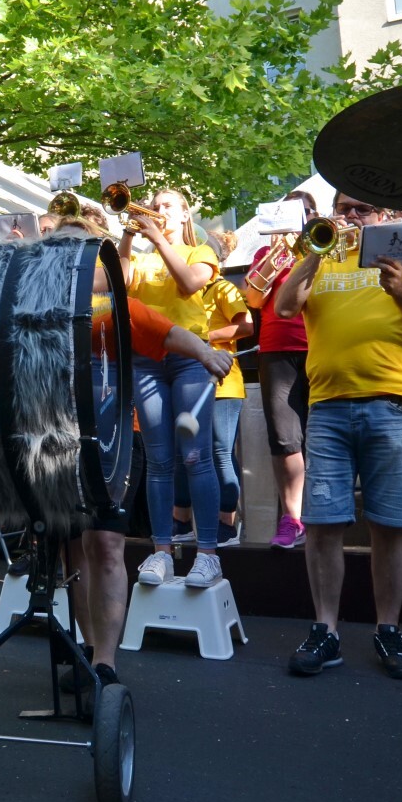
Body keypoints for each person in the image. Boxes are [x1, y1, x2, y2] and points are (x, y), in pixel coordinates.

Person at [54, 217, 233, 689]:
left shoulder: (113, 305)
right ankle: (86, 650)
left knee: (105, 545)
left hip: (110, 444)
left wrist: (206, 354)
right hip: (57, 443)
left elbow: (168, 332)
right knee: (74, 551)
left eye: (79, 254)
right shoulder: (41, 306)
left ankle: (105, 663)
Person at [276, 193, 402, 680]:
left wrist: (400, 288)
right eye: (344, 207)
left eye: (362, 209)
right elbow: (285, 308)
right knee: (323, 523)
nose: (352, 215)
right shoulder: (321, 256)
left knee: (391, 525)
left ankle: (387, 628)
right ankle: (325, 630)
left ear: (382, 216)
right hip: (328, 406)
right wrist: (314, 250)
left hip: (391, 403)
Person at [119, 187, 223, 588]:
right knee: (159, 460)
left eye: (165, 206)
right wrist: (127, 236)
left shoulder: (201, 252)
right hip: (146, 360)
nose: (156, 211)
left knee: (196, 456)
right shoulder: (141, 257)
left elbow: (189, 283)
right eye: (153, 206)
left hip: (190, 357)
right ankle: (161, 551)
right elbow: (119, 284)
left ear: (183, 215)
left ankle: (208, 554)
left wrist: (158, 239)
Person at [243, 189, 316, 550]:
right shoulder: (266, 253)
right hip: (276, 350)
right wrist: (275, 255)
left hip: (320, 348)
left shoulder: (322, 248)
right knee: (285, 438)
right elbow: (253, 299)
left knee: (324, 434)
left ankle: (319, 512)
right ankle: (292, 517)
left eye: (302, 212)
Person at [173, 268, 251, 547]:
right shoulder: (181, 292)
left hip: (223, 383)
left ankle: (226, 526)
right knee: (183, 452)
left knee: (220, 454)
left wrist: (203, 337)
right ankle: (181, 523)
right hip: (190, 383)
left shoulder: (221, 288)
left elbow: (247, 326)